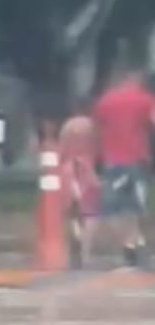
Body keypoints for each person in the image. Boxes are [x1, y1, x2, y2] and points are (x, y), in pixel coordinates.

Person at [92, 68, 155, 267]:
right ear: (135, 79)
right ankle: (137, 243)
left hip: (112, 162)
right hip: (138, 160)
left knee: (112, 209)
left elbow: (97, 128)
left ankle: (129, 245)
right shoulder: (145, 99)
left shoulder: (105, 101)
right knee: (137, 206)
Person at [59, 109, 100, 267]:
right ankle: (86, 252)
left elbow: (62, 150)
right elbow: (97, 149)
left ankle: (74, 245)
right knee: (91, 214)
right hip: (87, 169)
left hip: (68, 170)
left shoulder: (67, 126)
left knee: (73, 213)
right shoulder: (92, 126)